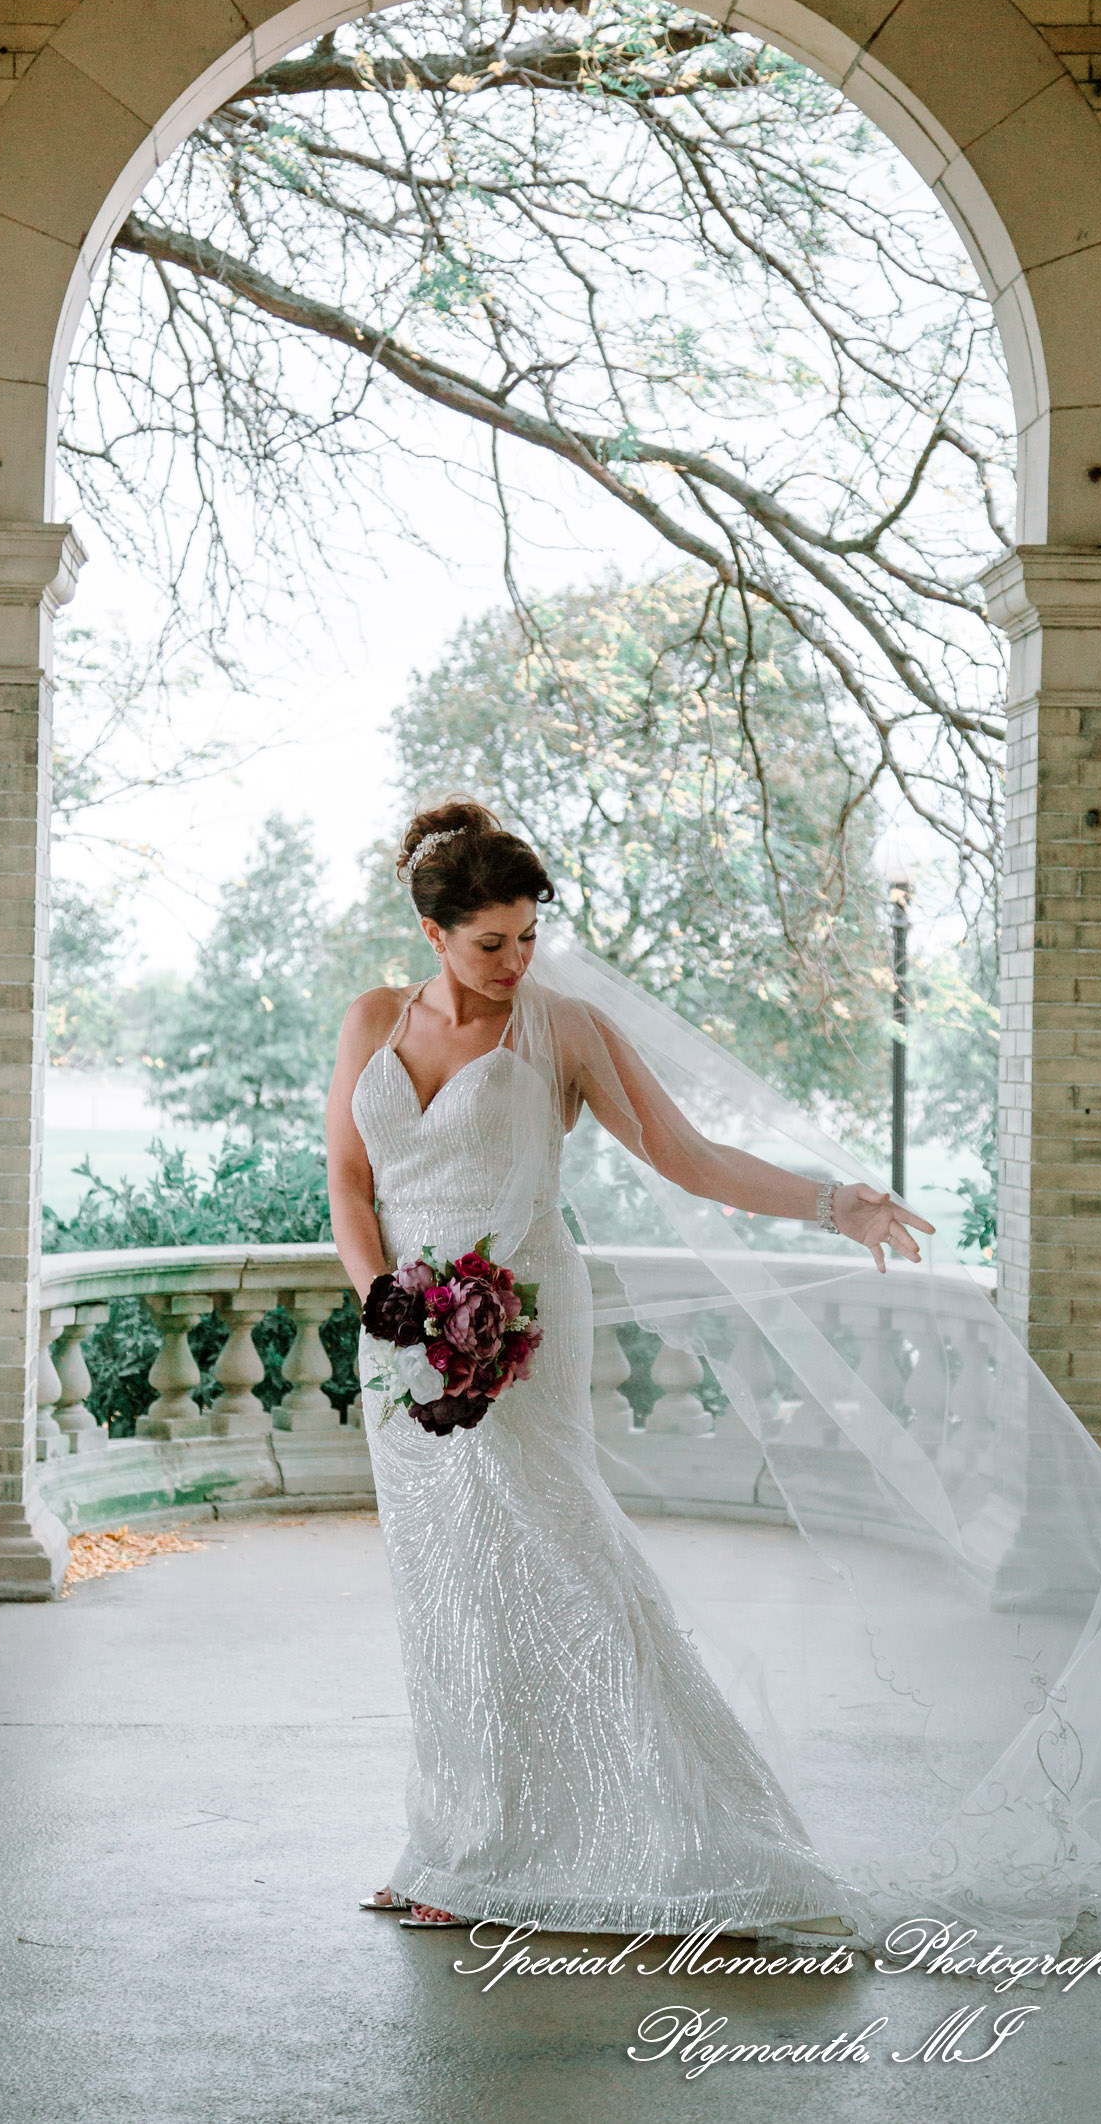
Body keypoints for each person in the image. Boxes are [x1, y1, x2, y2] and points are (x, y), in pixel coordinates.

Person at [326, 799, 940, 1939]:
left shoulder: (561, 1030)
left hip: (523, 1333)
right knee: (448, 1599)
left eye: (529, 936)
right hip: (405, 1349)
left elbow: (688, 1155)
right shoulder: (370, 1021)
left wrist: (831, 1201)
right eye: (491, 943)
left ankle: (706, 1846)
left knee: (571, 1574)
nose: (517, 962)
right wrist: (386, 1303)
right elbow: (351, 1186)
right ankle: (457, 1851)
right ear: (432, 932)